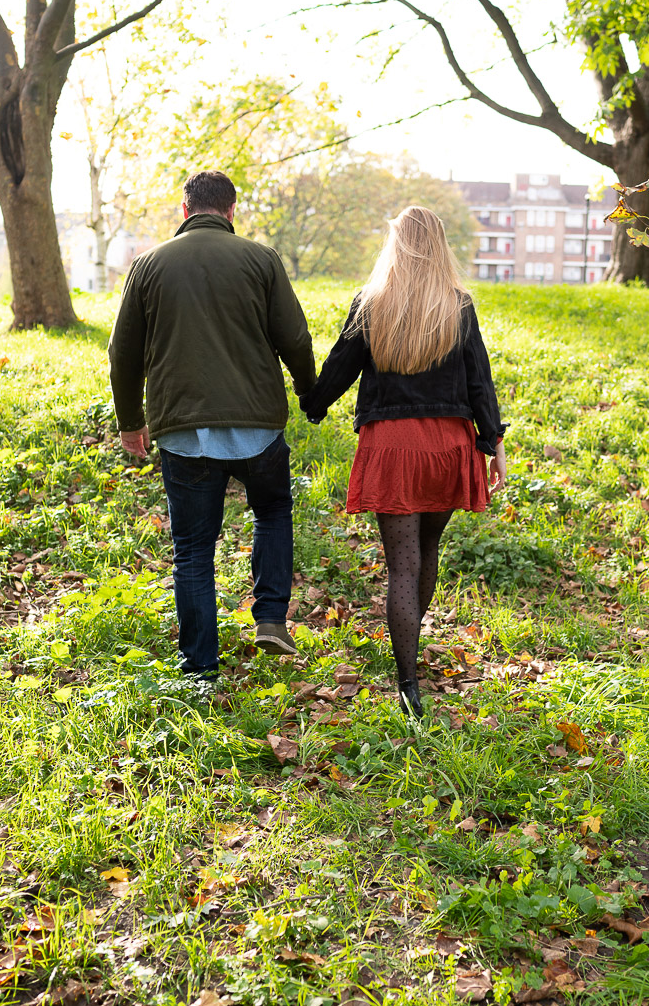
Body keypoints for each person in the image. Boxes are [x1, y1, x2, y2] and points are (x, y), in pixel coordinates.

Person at [108, 169, 316, 677]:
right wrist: (310, 393)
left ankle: (200, 669)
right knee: (271, 511)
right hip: (258, 428)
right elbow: (294, 337)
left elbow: (122, 353)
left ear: (185, 210)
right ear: (230, 211)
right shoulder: (260, 258)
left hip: (182, 430)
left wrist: (131, 421)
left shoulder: (148, 265)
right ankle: (269, 616)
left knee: (194, 551)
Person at [301, 205, 506, 716]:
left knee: (401, 568)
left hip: (392, 446)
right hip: (447, 446)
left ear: (395, 244)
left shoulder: (371, 303)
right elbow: (480, 379)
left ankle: (408, 681)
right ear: (439, 245)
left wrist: (313, 401)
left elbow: (338, 370)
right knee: (428, 550)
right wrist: (494, 444)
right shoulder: (457, 305)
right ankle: (412, 656)